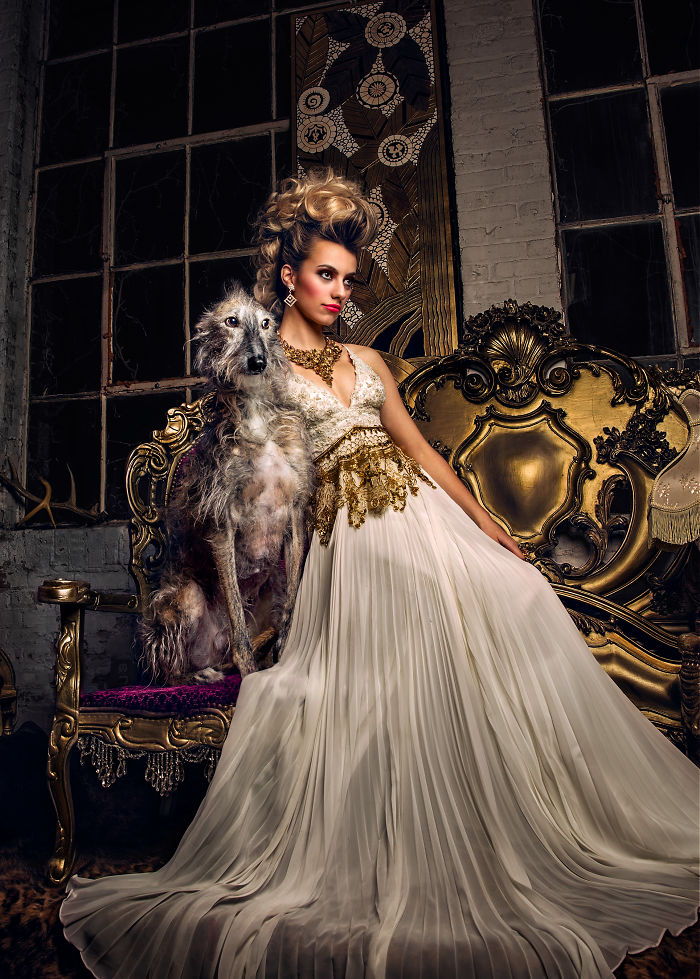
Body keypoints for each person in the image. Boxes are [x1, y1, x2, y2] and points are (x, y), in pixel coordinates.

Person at [61, 171, 699, 979]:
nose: (339, 291)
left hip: (421, 518)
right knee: (380, 690)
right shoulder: (256, 366)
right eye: (325, 274)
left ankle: (539, 817)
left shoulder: (370, 361)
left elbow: (425, 452)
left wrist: (491, 527)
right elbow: (253, 485)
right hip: (348, 546)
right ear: (289, 274)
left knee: (525, 594)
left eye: (349, 279)